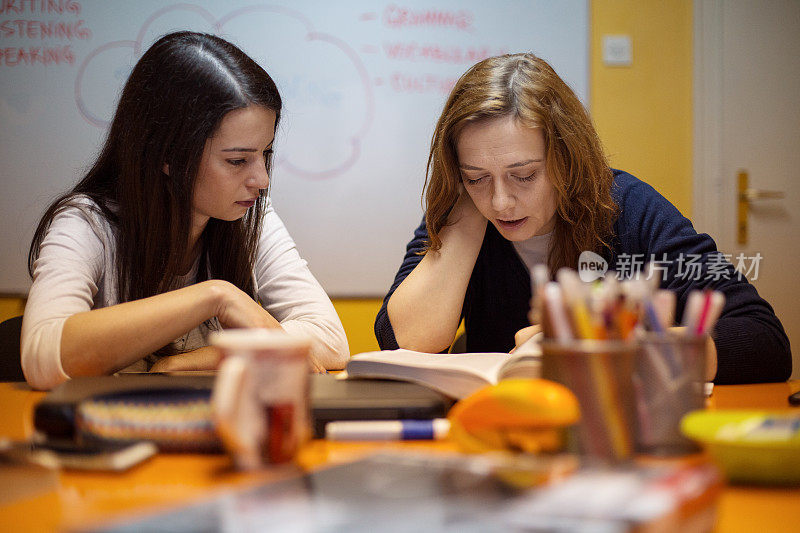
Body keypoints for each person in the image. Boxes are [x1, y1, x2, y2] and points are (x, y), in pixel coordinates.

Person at [375, 53, 791, 384]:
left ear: (566, 159)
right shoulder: (464, 211)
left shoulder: (628, 208)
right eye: (477, 177)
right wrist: (465, 214)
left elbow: (765, 340)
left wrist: (612, 346)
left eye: (524, 175)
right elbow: (404, 341)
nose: (501, 202)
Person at [22, 31, 349, 390]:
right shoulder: (86, 223)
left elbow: (329, 338)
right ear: (168, 155)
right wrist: (216, 297)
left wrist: (202, 360)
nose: (262, 179)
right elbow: (42, 358)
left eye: (266, 154)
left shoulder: (251, 216)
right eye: (238, 160)